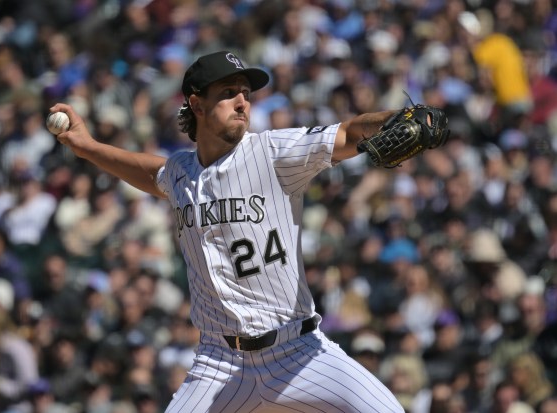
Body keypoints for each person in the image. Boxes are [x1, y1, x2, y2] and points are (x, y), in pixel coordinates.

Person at [50, 50, 405, 412]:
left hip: (299, 352)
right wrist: (88, 148)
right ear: (196, 104)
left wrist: (399, 119)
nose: (242, 102)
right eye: (228, 92)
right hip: (219, 363)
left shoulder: (272, 152)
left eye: (246, 94)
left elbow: (348, 132)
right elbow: (147, 172)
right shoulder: (180, 173)